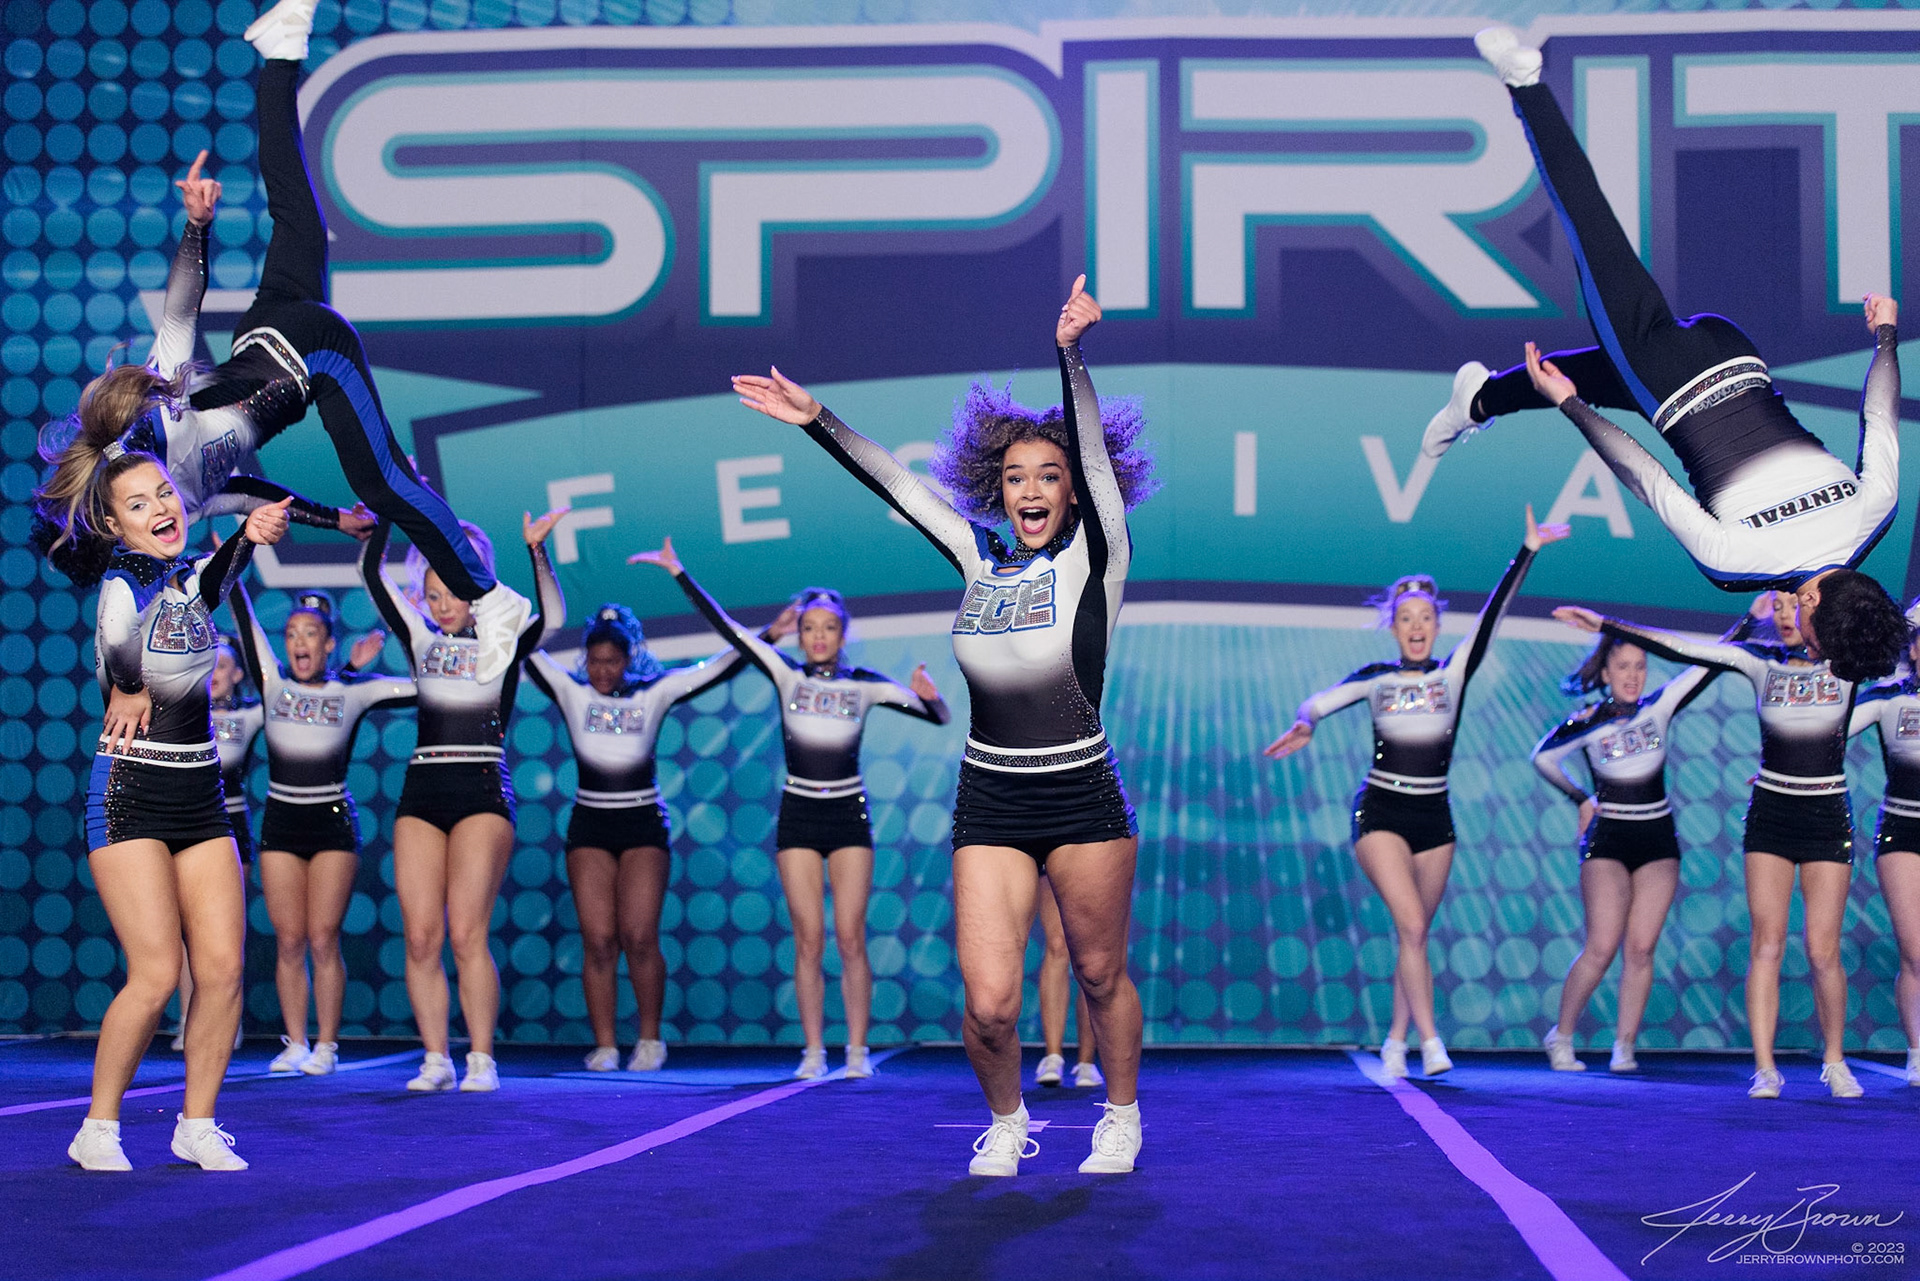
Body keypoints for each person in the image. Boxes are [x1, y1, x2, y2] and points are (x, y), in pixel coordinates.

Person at [733, 275, 1157, 1175]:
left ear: (1073, 494)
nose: (1031, 489)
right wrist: (817, 421)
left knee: (1097, 973)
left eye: (1048, 477)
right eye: (1015, 477)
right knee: (990, 1004)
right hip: (991, 796)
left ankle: (1120, 1113)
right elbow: (898, 483)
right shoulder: (977, 559)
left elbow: (1090, 457)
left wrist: (1070, 355)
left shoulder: (1099, 556)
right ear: (997, 490)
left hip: (1082, 791)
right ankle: (1007, 1121)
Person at [31, 0, 531, 683]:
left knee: (386, 481)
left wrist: (197, 227)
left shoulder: (156, 422)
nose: (163, 513)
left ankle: (492, 599)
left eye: (149, 504)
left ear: (115, 506)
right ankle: (282, 51)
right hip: (270, 328)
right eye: (148, 515)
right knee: (295, 209)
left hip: (307, 355)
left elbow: (178, 316)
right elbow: (247, 490)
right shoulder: (189, 497)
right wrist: (335, 521)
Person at [1421, 26, 1905, 687]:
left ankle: (1478, 400)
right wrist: (1571, 408)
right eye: (1818, 645)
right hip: (1670, 380)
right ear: (1816, 605)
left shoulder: (1878, 511)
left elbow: (1879, 414)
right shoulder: (1739, 566)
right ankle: (1525, 83)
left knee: (1595, 376)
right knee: (1591, 231)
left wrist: (1885, 336)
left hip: (1736, 351)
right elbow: (1647, 478)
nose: (1809, 649)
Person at [47, 442, 292, 1171]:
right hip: (129, 792)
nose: (160, 507)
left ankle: (198, 1123)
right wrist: (126, 686)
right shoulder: (122, 579)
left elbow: (214, 575)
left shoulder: (187, 582)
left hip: (201, 795)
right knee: (156, 973)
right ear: (113, 525)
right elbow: (117, 635)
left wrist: (251, 533)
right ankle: (98, 1127)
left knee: (221, 968)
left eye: (163, 493)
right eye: (138, 503)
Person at [1265, 509, 1567, 1078]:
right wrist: (1306, 722)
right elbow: (1318, 702)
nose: (1416, 625)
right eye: (1406, 617)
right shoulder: (1376, 677)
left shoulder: (1452, 676)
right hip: (1381, 811)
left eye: (1426, 616)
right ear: (1394, 627)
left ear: (1436, 624)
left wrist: (1526, 551)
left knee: (1416, 935)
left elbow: (1493, 616)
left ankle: (1396, 1039)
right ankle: (1431, 1043)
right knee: (1410, 925)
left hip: (1435, 818)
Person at [646, 553, 950, 1080]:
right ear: (800, 634)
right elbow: (732, 632)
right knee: (808, 940)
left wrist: (934, 697)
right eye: (809, 628)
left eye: (829, 627)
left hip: (848, 814)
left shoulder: (864, 683)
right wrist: (679, 574)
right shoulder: (785, 673)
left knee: (850, 937)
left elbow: (937, 716)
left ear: (842, 633)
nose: (818, 636)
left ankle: (856, 1051)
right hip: (799, 814)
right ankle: (813, 1051)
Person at [1558, 592, 1867, 1098]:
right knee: (1766, 943)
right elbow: (1685, 649)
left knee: (1822, 949)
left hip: (1827, 813)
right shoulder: (1759, 661)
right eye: (1779, 607)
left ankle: (1835, 1061)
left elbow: (1892, 633)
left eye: (1796, 605)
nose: (1786, 615)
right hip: (1770, 813)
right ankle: (1765, 1069)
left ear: (1817, 610)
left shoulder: (1848, 666)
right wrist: (1607, 623)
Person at [359, 510, 564, 1092]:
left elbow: (553, 618)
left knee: (467, 932)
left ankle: (480, 1058)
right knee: (421, 936)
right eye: (433, 594)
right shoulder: (420, 636)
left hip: (482, 787)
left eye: (453, 592)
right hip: (422, 789)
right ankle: (435, 1059)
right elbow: (372, 575)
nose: (443, 604)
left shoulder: (505, 639)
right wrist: (386, 515)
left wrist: (537, 551)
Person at [522, 600, 756, 1073]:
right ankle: (606, 1045)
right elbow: (523, 647)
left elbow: (718, 668)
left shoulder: (654, 693)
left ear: (629, 659)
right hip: (590, 824)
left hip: (642, 823)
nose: (602, 671)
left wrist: (768, 636)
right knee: (599, 940)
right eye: (594, 661)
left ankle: (650, 1039)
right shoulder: (571, 691)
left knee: (640, 936)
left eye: (612, 661)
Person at [229, 585, 412, 1076]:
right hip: (281, 822)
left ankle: (327, 1045)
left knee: (323, 937)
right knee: (289, 940)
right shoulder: (272, 684)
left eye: (310, 633)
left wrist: (396, 636)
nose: (299, 642)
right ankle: (296, 1042)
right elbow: (243, 615)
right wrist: (233, 555)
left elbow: (423, 687)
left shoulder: (352, 690)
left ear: (328, 644)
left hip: (332, 823)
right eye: (291, 634)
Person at [1531, 618, 1728, 1071]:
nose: (1633, 675)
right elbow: (1543, 758)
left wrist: (1750, 622)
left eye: (1640, 666)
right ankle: (1561, 1035)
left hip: (1657, 838)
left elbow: (1708, 664)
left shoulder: (1660, 706)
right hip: (1608, 838)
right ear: (1606, 673)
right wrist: (1581, 798)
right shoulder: (1589, 720)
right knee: (1602, 946)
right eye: (1623, 667)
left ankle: (1624, 1045)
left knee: (1640, 948)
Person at [172, 640, 262, 1054]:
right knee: (185, 933)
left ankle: (226, 1020)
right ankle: (187, 1019)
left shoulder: (250, 715)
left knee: (223, 933)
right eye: (209, 665)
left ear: (238, 674)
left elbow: (288, 695)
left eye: (223, 666)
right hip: (184, 825)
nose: (215, 674)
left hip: (231, 826)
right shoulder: (181, 713)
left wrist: (348, 669)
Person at [1847, 612, 1920, 1086]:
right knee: (1916, 951)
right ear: (1913, 648)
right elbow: (1828, 729)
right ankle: (1917, 1052)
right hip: (1902, 831)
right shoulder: (1888, 696)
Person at [1034, 878, 1101, 1088]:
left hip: (1095, 859)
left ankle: (1087, 1063)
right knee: (1057, 944)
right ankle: (1053, 1058)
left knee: (1091, 952)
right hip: (1047, 859)